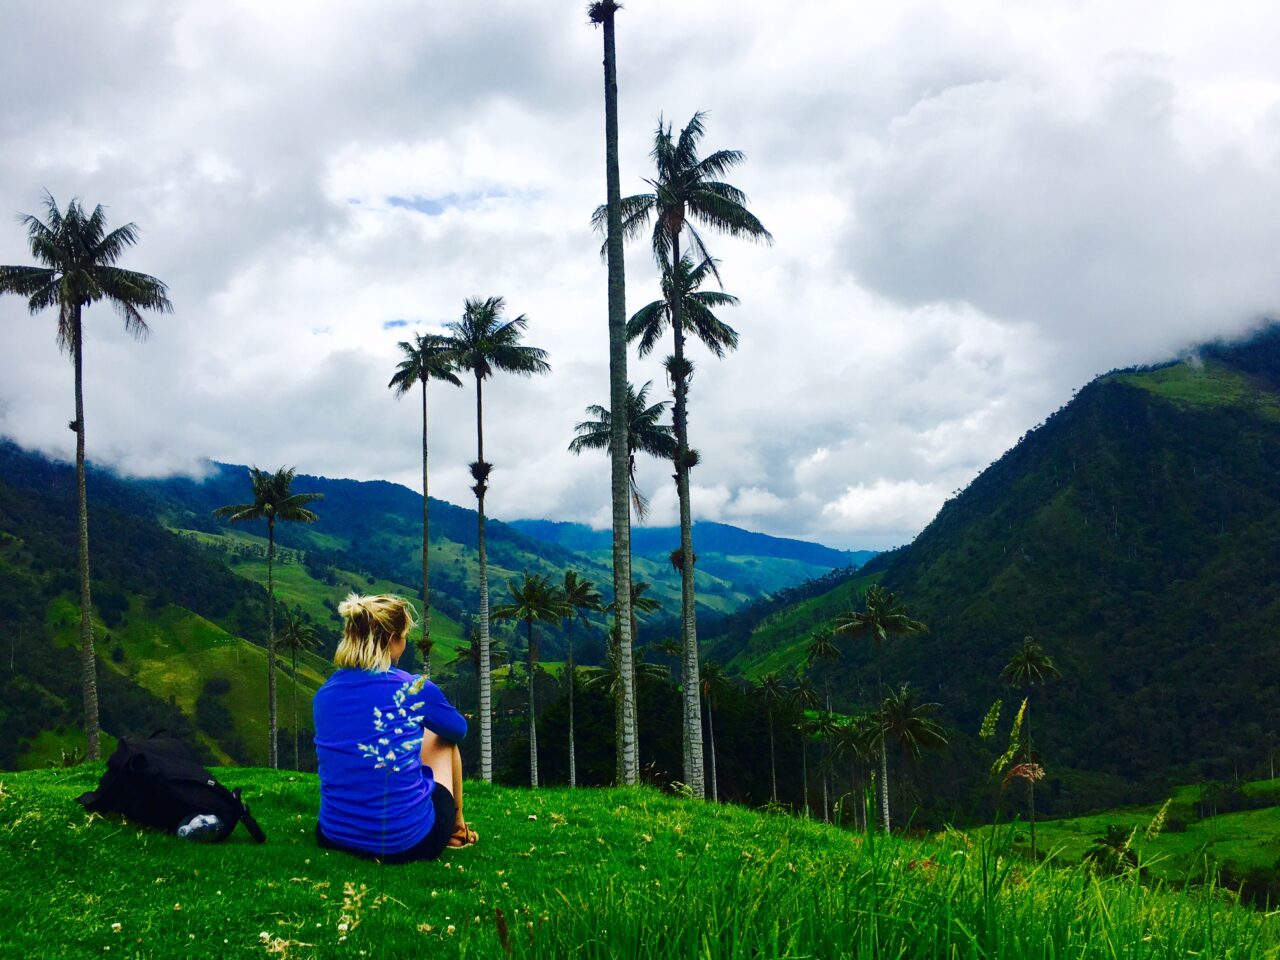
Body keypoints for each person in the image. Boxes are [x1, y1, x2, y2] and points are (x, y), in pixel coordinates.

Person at [313, 592, 477, 862]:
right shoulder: (413, 687)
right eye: (403, 637)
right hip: (407, 841)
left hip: (333, 835)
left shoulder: (324, 693)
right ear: (392, 640)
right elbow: (458, 730)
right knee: (442, 737)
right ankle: (457, 829)